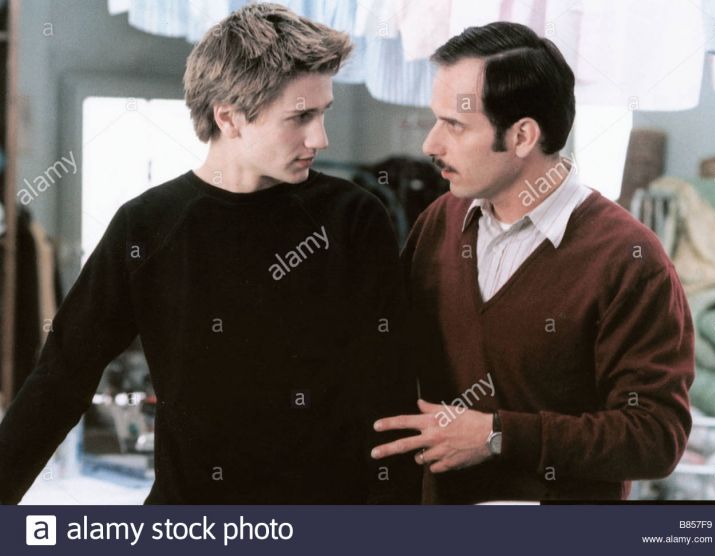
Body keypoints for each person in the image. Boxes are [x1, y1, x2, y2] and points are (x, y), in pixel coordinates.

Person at [0, 3, 419, 504]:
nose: (320, 138)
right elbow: (62, 377)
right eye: (301, 117)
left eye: (323, 112)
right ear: (229, 117)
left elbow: (389, 393)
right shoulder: (147, 224)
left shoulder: (353, 218)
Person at [371, 22, 694, 503]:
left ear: (522, 135)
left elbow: (655, 437)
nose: (430, 145)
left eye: (455, 125)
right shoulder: (440, 220)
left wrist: (498, 435)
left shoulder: (629, 259)